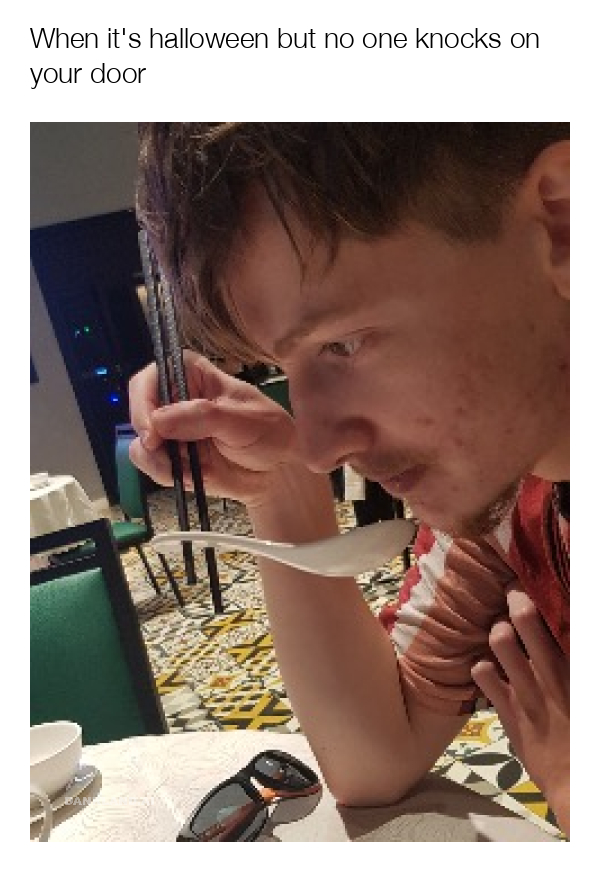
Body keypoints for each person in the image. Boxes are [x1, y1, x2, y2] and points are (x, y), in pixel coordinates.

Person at [129, 124, 569, 834]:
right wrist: (279, 488)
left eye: (344, 343)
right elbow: (374, 758)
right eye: (282, 366)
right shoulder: (514, 499)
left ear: (565, 221)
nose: (320, 447)